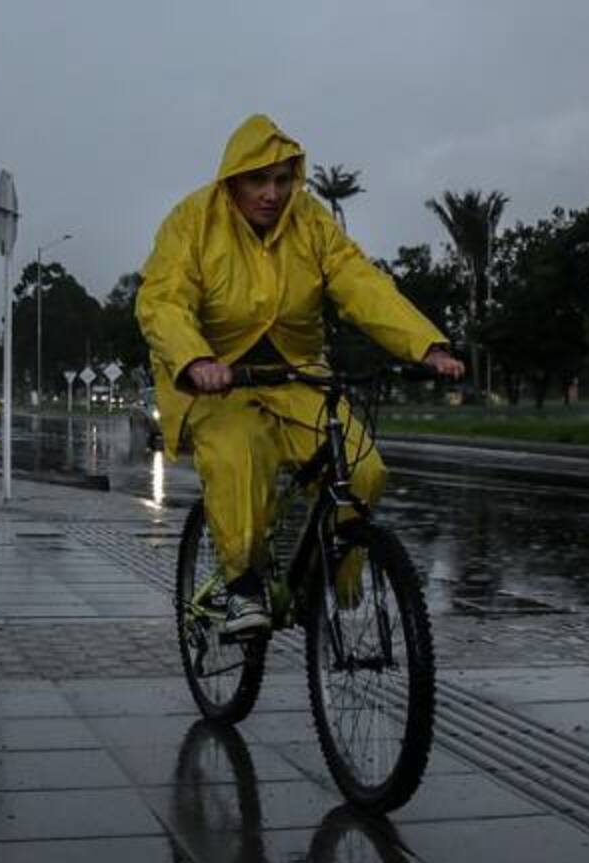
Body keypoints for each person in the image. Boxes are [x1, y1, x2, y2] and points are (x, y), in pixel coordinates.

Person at [136, 114, 464, 634]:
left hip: (296, 375)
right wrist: (196, 360)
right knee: (242, 455)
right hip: (215, 379)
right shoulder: (193, 221)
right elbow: (162, 300)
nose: (272, 194)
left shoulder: (310, 221)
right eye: (258, 180)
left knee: (361, 468)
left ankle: (331, 578)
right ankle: (242, 586)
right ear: (232, 180)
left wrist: (424, 344)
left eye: (283, 180)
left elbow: (360, 283)